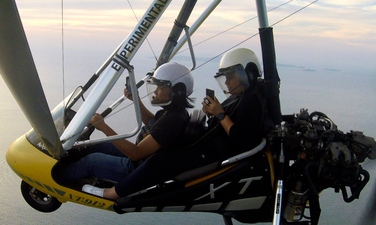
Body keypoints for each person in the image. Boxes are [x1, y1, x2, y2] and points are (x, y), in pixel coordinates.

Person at [101, 48, 274, 202]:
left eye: (230, 76)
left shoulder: (251, 102)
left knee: (159, 160)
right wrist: (214, 113)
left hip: (215, 152)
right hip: (211, 145)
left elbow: (241, 138)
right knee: (159, 156)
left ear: (248, 74)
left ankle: (116, 193)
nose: (227, 82)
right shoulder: (245, 95)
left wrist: (220, 114)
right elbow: (155, 123)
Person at [59, 62, 194, 199]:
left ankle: (58, 177)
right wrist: (135, 99)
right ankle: (69, 163)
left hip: (136, 169)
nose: (155, 91)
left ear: (177, 90)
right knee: (94, 146)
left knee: (91, 161)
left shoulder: (173, 121)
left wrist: (104, 127)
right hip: (141, 159)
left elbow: (136, 154)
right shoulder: (175, 113)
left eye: (160, 87)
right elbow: (151, 123)